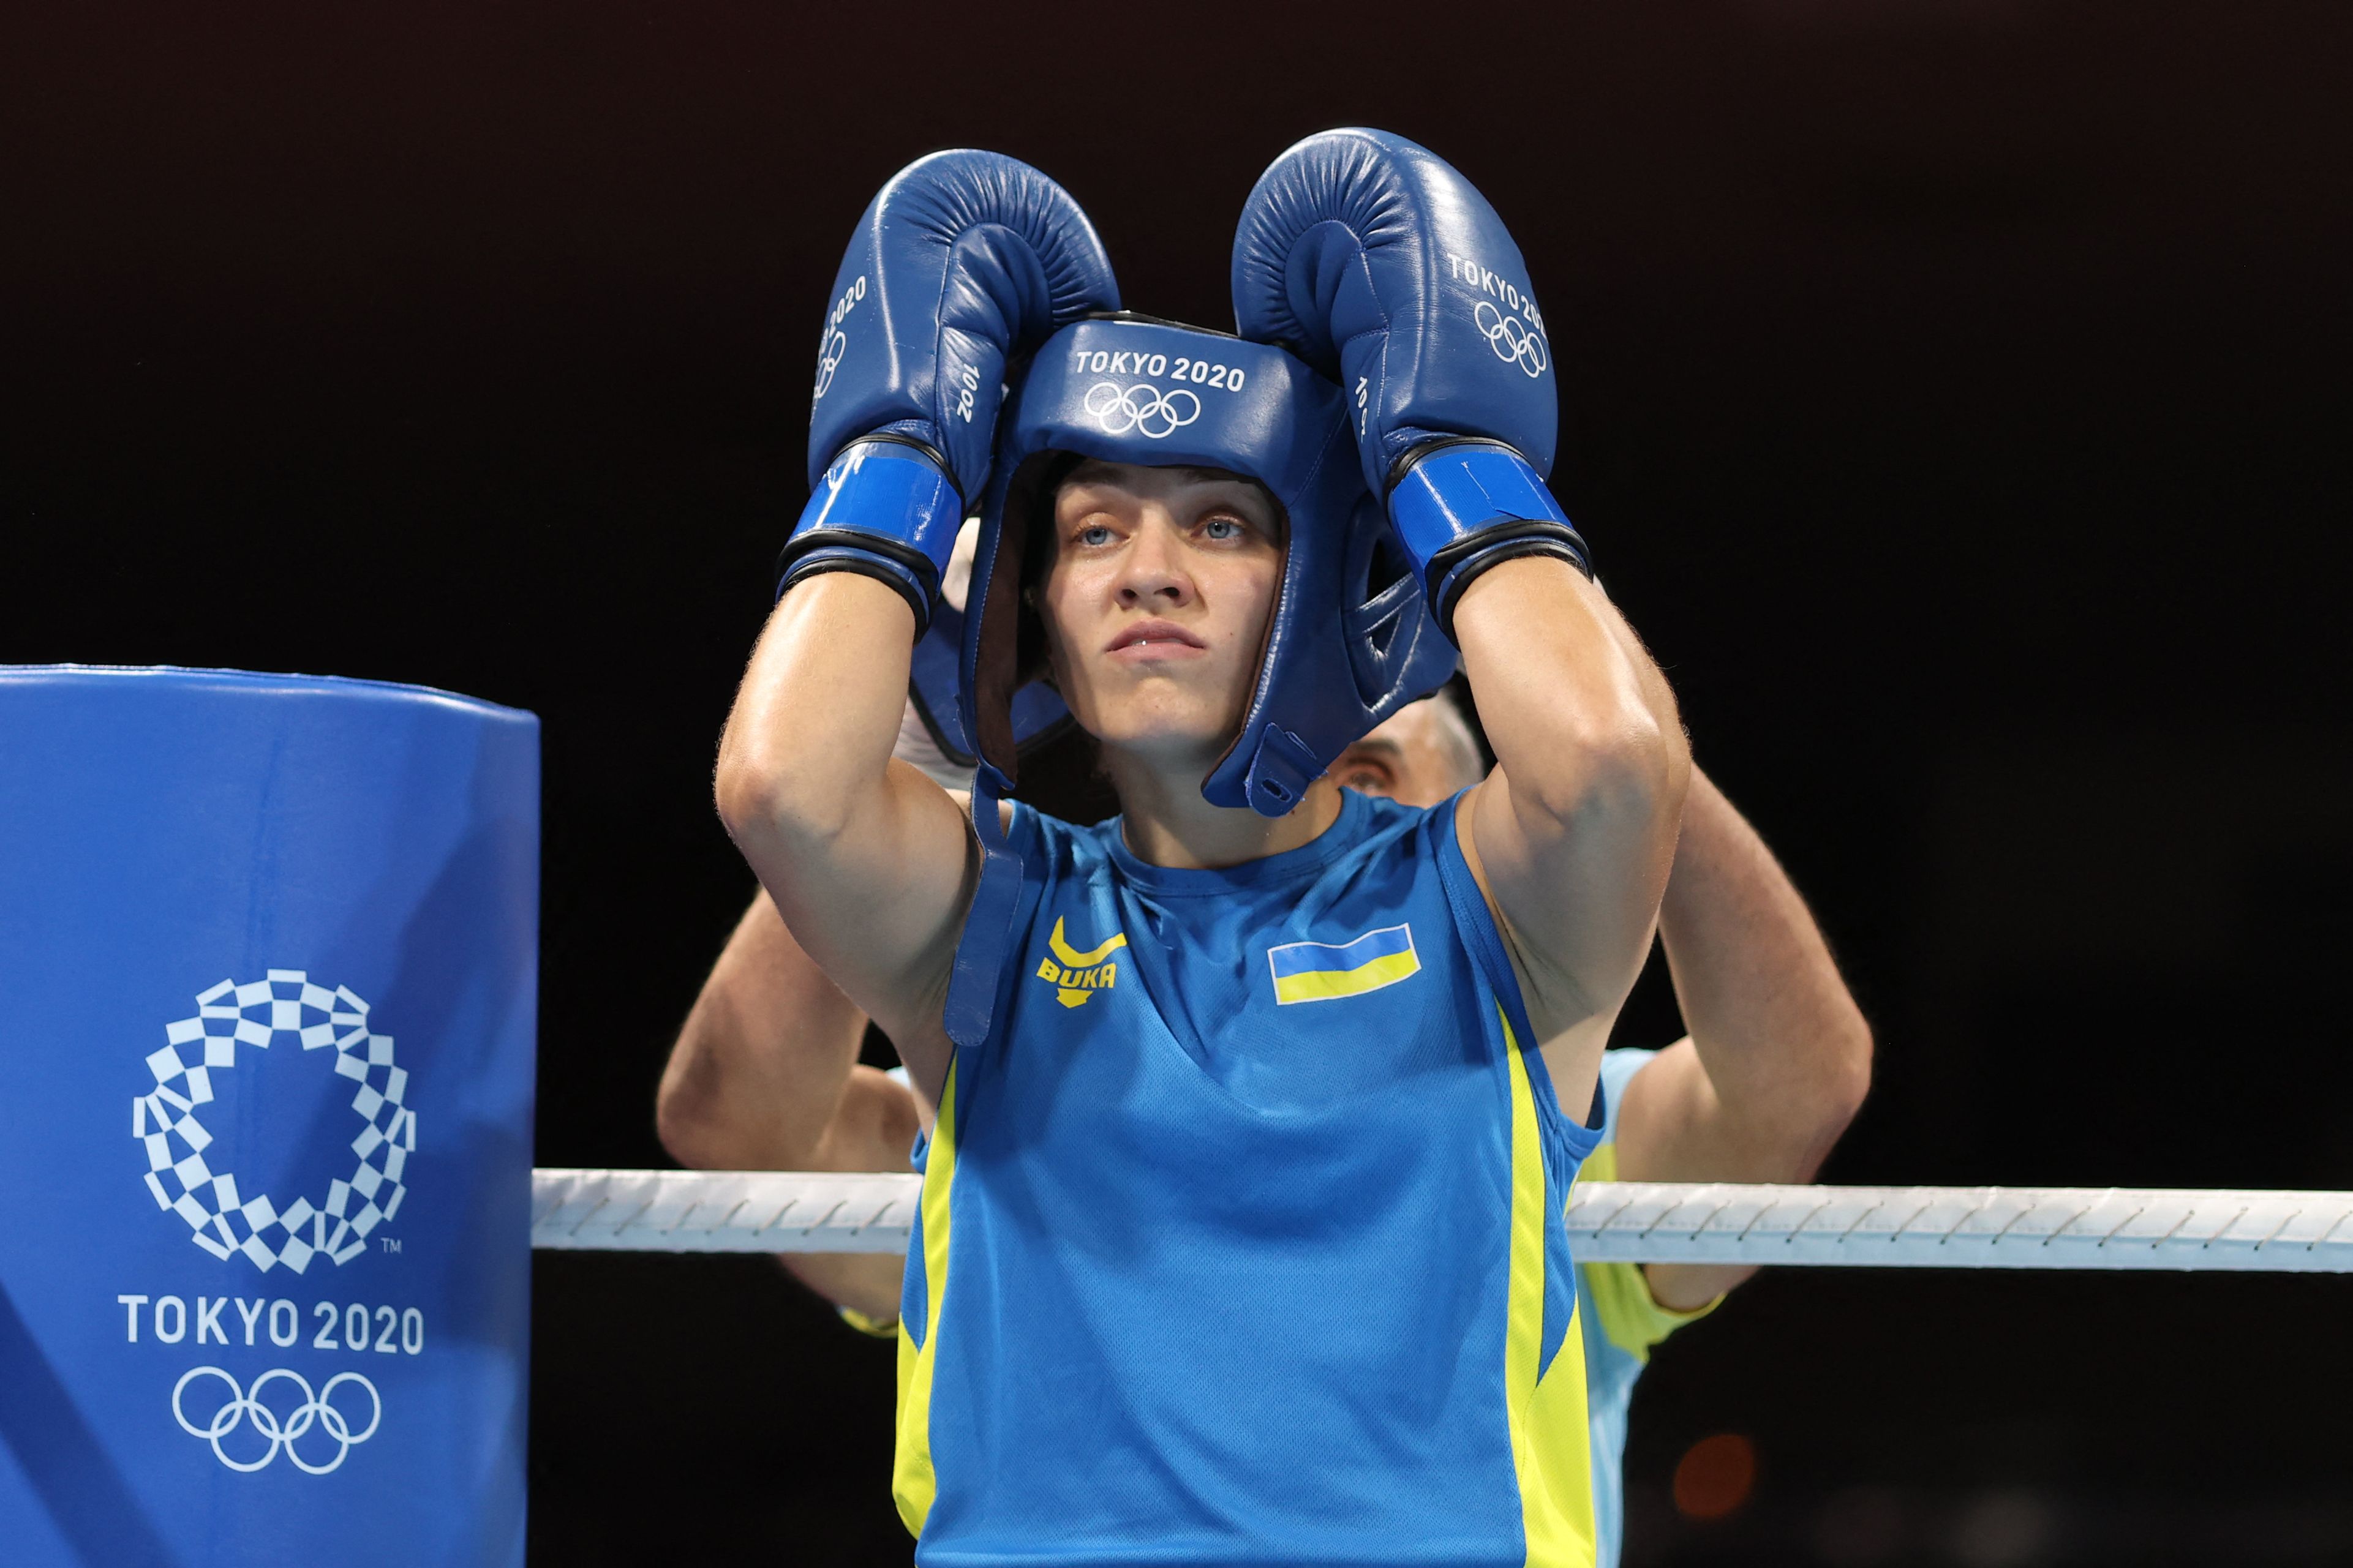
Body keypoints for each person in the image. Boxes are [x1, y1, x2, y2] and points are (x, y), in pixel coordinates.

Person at [717, 134, 1687, 1562]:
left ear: (1325, 588)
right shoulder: (1000, 915)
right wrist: (900, 467)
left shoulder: (1477, 901)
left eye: (1221, 523)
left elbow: (1610, 760)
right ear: (1036, 607)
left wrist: (1446, 461)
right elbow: (781, 788)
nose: (1148, 570)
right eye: (1095, 531)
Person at [662, 690, 1871, 1567]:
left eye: (1377, 767)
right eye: (1293, 757)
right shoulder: (1032, 1090)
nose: (1327, 802)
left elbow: (1793, 1088)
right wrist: (918, 750)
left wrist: (1618, 735)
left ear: (1487, 823)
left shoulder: (1560, 1114)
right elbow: (743, 1131)